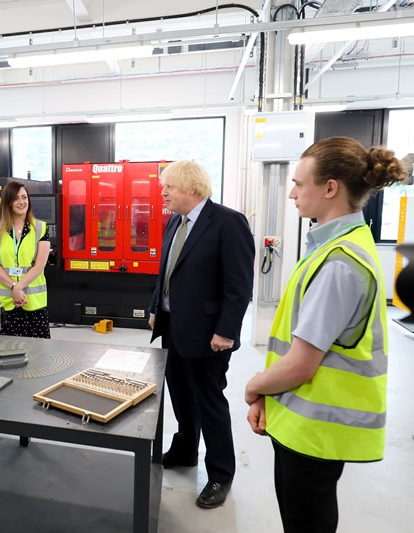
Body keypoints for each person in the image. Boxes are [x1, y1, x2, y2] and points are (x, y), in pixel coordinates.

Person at [245, 137, 405, 533]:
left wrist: (254, 386)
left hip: (314, 430)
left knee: (306, 523)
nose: (292, 193)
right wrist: (270, 396)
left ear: (330, 187)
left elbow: (300, 364)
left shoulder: (338, 263)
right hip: (301, 417)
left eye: (299, 183)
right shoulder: (337, 247)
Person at [147, 160, 254, 509]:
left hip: (209, 335)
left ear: (191, 188)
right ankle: (185, 448)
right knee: (179, 393)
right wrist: (154, 308)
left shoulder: (228, 222)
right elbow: (166, 272)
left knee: (209, 401)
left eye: (169, 187)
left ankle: (221, 473)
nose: (163, 193)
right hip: (173, 327)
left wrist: (226, 331)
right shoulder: (174, 222)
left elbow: (239, 286)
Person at [0, 180, 51, 338]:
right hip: (5, 303)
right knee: (5, 351)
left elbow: (39, 266)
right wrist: (13, 287)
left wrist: (19, 288)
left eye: (24, 197)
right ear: (8, 202)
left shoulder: (41, 228)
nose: (21, 202)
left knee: (38, 354)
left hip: (33, 303)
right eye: (16, 198)